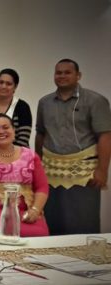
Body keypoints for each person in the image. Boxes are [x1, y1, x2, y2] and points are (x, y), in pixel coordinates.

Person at [36, 59, 111, 235]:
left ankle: (85, 261)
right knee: (53, 219)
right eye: (58, 73)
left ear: (78, 75)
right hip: (52, 170)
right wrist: (38, 163)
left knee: (83, 221)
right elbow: (40, 133)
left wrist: (102, 170)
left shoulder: (95, 101)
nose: (62, 76)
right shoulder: (44, 102)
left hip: (84, 171)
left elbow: (105, 136)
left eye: (67, 72)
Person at [0, 68, 33, 147]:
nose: (3, 86)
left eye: (8, 84)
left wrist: (5, 156)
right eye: (0, 82)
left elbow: (23, 140)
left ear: (15, 87)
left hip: (15, 155)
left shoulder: (22, 107)